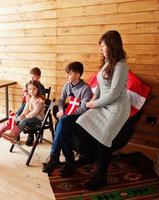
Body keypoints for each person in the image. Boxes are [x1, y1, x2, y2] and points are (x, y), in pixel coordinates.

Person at [76, 30, 131, 190]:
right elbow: (100, 85)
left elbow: (114, 93)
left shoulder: (121, 65)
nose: (101, 48)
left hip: (117, 108)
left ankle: (101, 178)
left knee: (104, 141)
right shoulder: (107, 63)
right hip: (102, 103)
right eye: (100, 46)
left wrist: (94, 104)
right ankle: (90, 156)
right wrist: (93, 98)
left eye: (103, 45)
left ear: (112, 45)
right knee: (82, 122)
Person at [42, 61, 92, 176]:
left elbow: (84, 109)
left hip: (80, 117)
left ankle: (55, 157)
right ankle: (69, 162)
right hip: (68, 115)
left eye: (69, 74)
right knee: (63, 125)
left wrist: (66, 113)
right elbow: (61, 100)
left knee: (63, 122)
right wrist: (60, 110)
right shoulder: (67, 85)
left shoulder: (86, 89)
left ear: (78, 75)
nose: (67, 76)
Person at [0, 67, 45, 146]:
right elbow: (26, 108)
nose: (31, 91)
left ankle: (14, 135)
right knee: (16, 118)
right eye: (30, 89)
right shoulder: (30, 98)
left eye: (34, 89)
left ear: (38, 90)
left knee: (23, 121)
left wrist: (26, 117)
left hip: (37, 118)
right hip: (30, 115)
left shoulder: (40, 101)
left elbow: (35, 112)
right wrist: (23, 114)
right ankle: (4, 130)